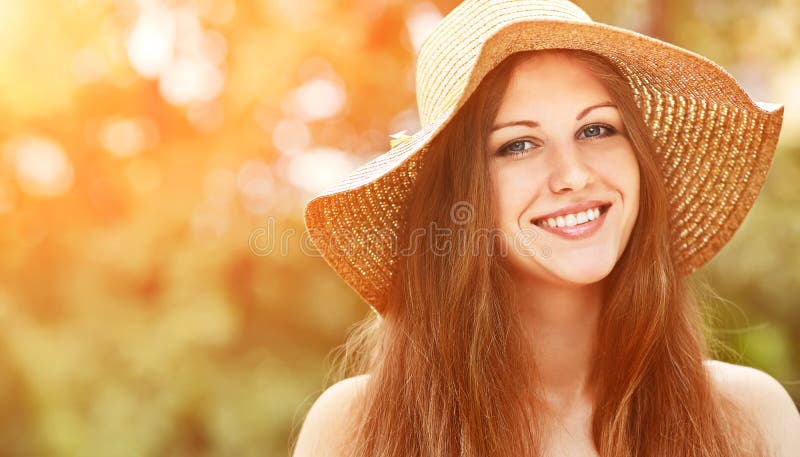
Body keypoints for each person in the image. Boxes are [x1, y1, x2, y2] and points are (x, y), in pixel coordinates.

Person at [293, 1, 800, 456]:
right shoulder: (357, 430)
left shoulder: (748, 420)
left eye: (596, 129)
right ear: (457, 202)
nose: (574, 175)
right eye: (518, 145)